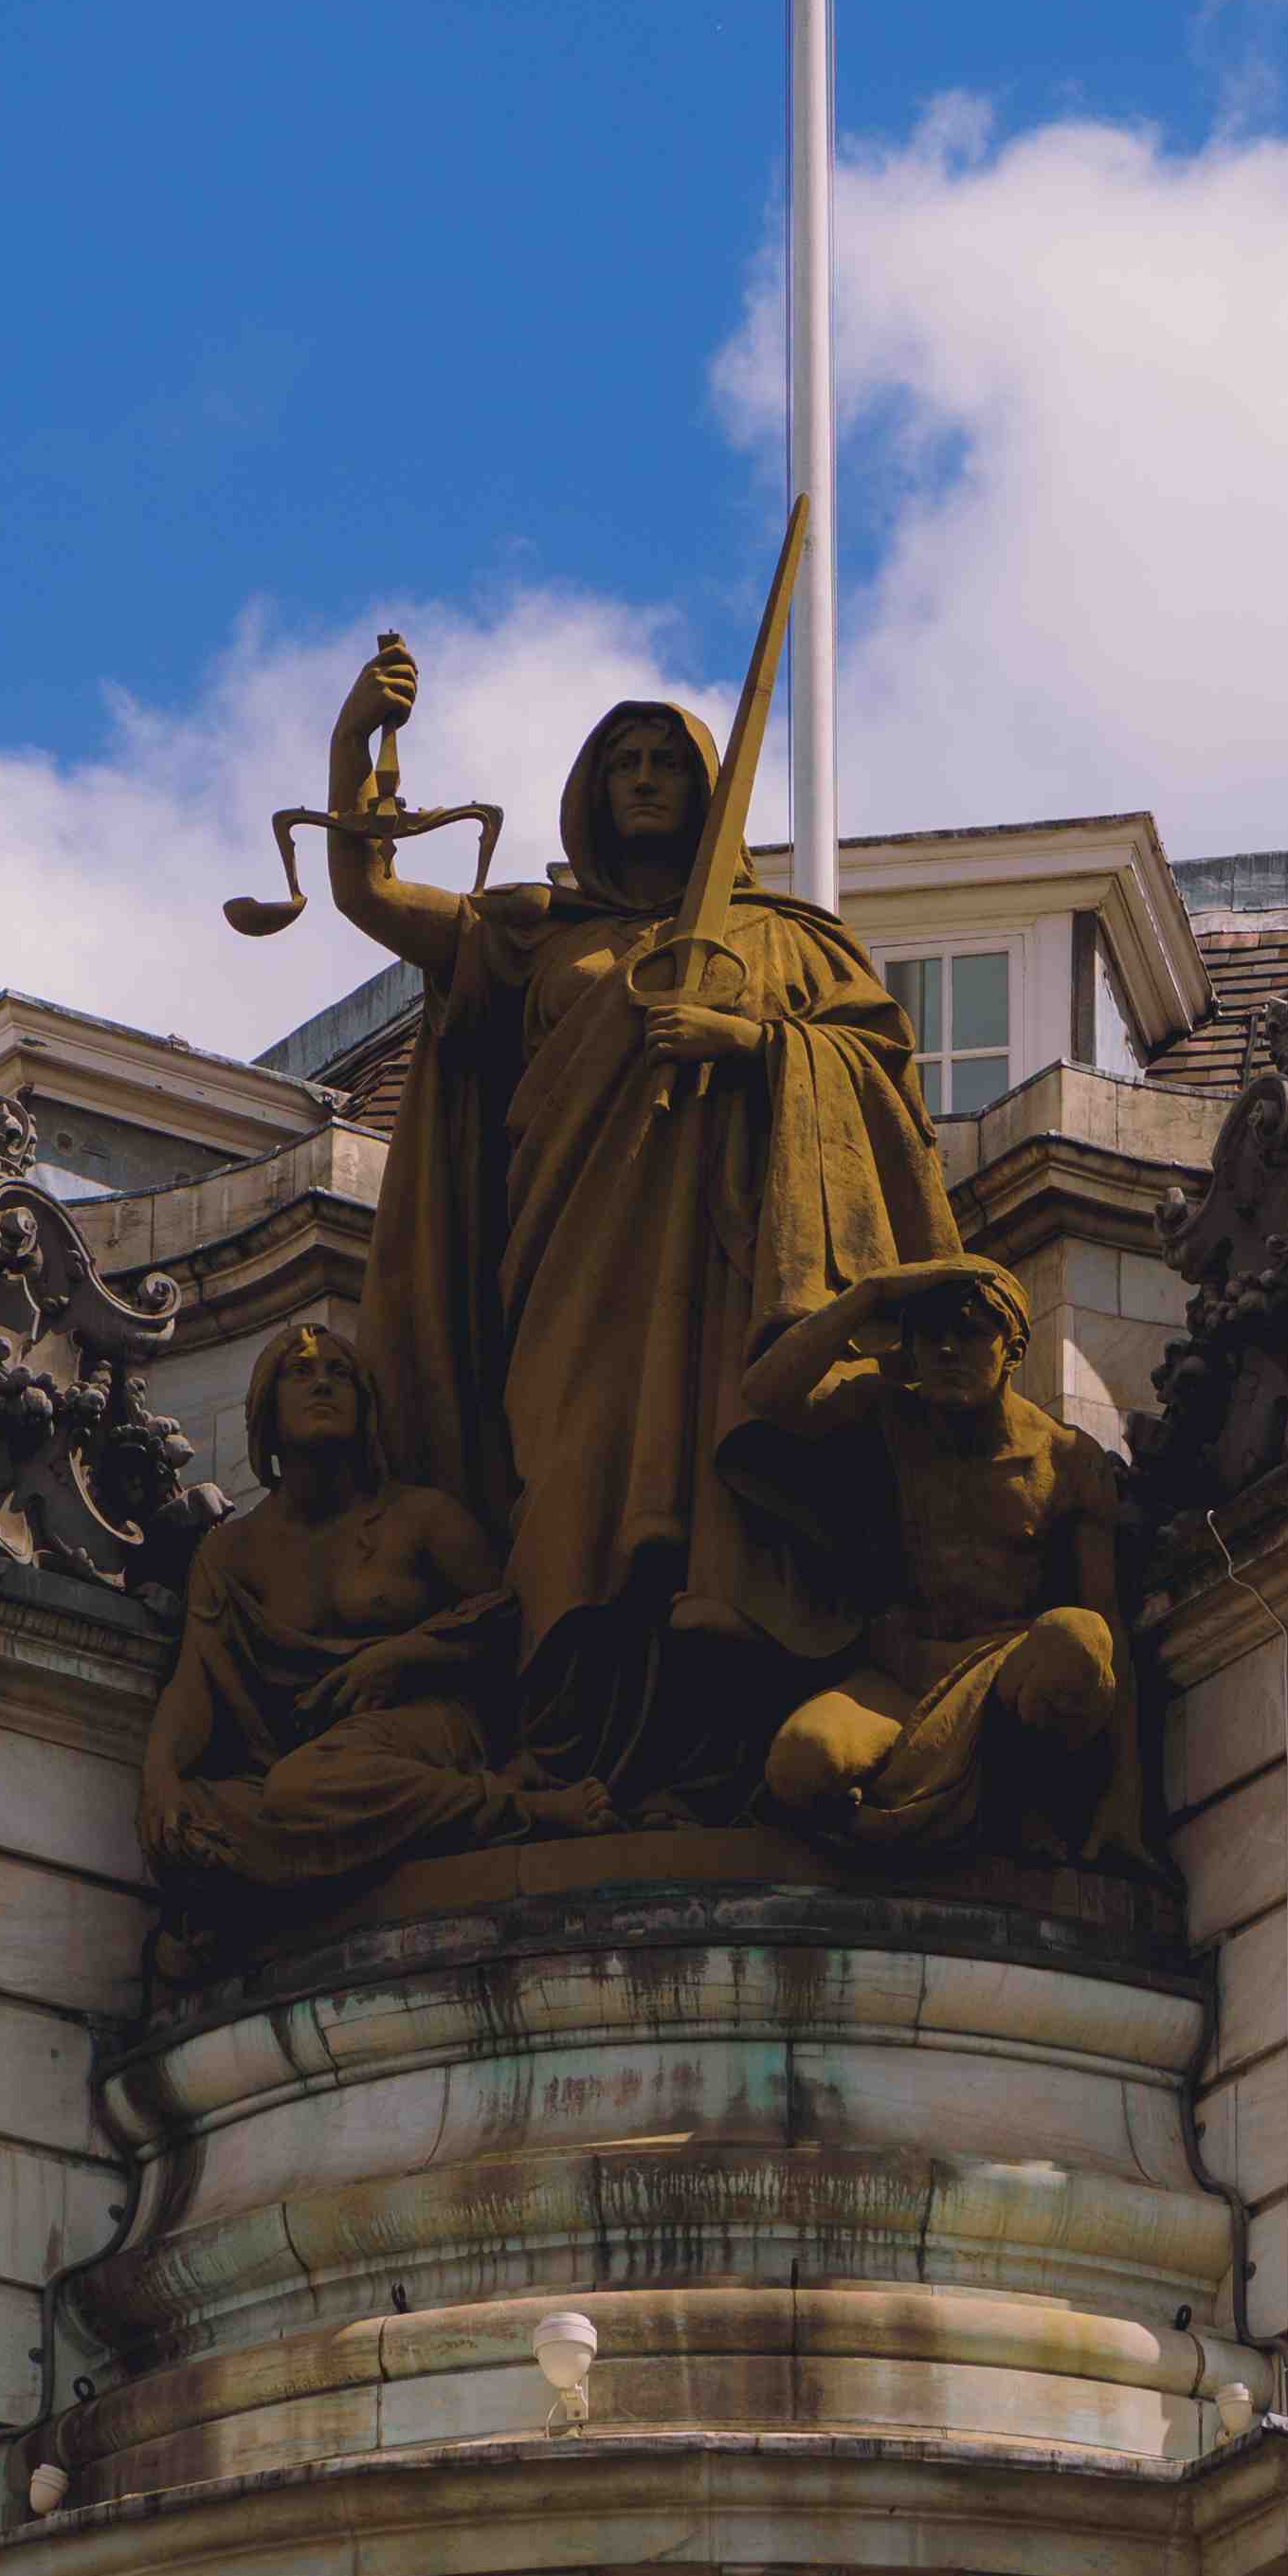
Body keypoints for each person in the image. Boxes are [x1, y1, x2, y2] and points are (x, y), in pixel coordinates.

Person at [325, 635, 958, 1802]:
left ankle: (717, 1748)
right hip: (572, 1272)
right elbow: (367, 895)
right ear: (592, 791)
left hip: (732, 1270)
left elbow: (877, 1076)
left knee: (716, 1497)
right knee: (568, 1485)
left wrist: (758, 1043)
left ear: (707, 783)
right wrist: (353, 742)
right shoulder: (535, 933)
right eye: (624, 761)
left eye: (669, 759)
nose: (648, 777)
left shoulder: (788, 943)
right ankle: (565, 1747)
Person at [137, 1320, 585, 1923]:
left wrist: (402, 1656)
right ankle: (364, 1851)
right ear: (266, 1414)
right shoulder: (230, 1553)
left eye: (339, 1373)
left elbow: (506, 1619)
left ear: (366, 1410)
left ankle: (515, 1807)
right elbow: (196, 1682)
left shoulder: (420, 1517)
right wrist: (160, 1775)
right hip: (307, 1758)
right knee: (195, 1819)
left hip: (429, 1727)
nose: (323, 1384)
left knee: (301, 1792)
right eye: (302, 1372)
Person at [718, 1252, 1147, 1869]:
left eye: (971, 1331)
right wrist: (871, 1293)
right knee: (801, 1764)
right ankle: (897, 1836)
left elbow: (1115, 1639)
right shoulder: (887, 1414)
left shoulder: (1068, 1460)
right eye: (930, 1334)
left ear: (1015, 1349)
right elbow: (765, 1392)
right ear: (911, 1350)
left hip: (1003, 1671)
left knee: (1078, 1642)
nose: (948, 1350)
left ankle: (1020, 1812)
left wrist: (1120, 1808)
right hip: (899, 1676)